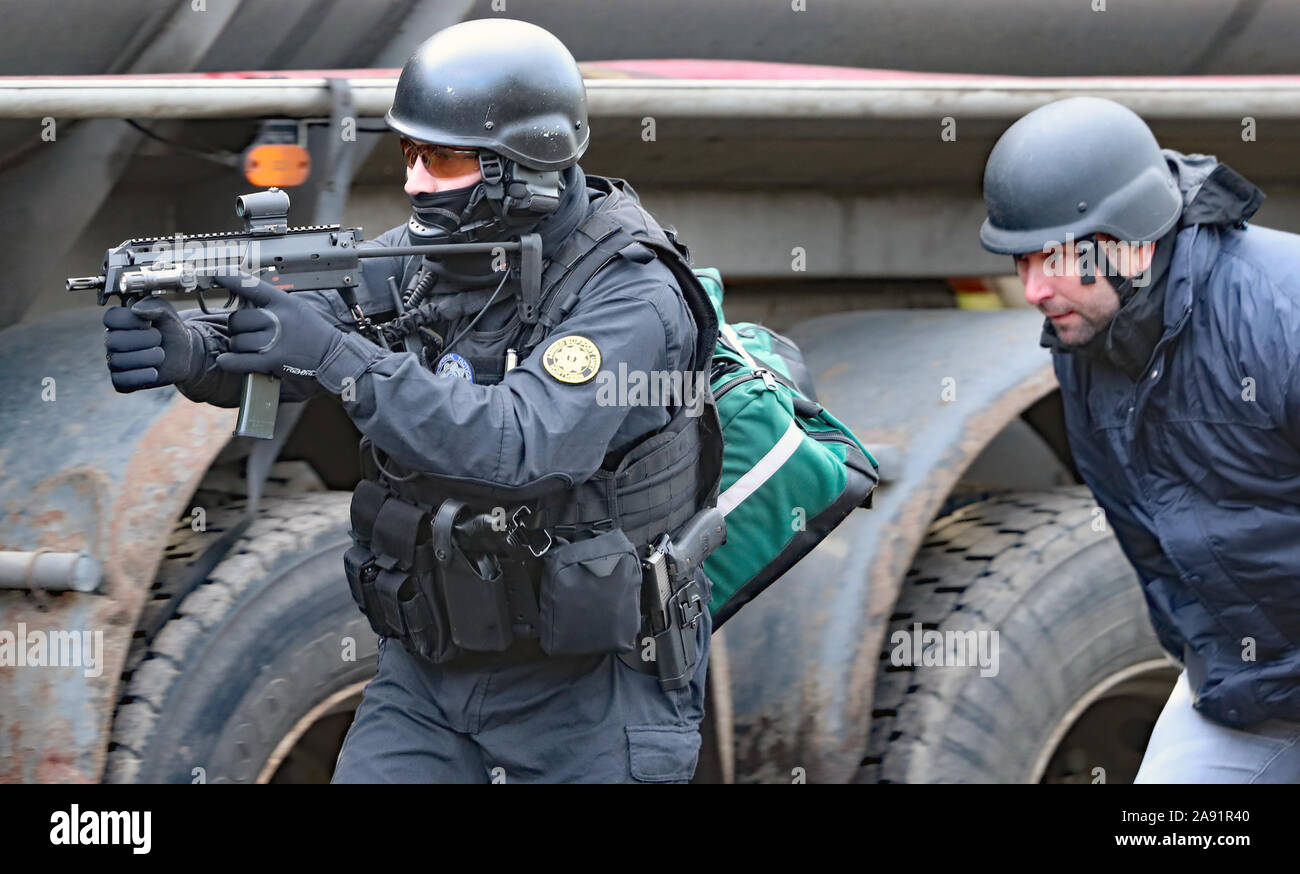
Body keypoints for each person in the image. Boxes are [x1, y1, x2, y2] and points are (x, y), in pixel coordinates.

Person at [103, 18, 722, 783]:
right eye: (408, 153)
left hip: (592, 692)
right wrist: (197, 351)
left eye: (443, 158)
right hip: (433, 672)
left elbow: (518, 447)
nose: (414, 182)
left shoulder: (630, 294)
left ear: (521, 167)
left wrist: (338, 358)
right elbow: (314, 330)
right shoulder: (437, 255)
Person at [979, 96, 1300, 783]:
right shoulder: (1085, 351)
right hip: (1249, 689)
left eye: (1055, 257)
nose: (1034, 290)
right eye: (1020, 262)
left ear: (1131, 240)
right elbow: (1149, 545)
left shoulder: (1282, 312)